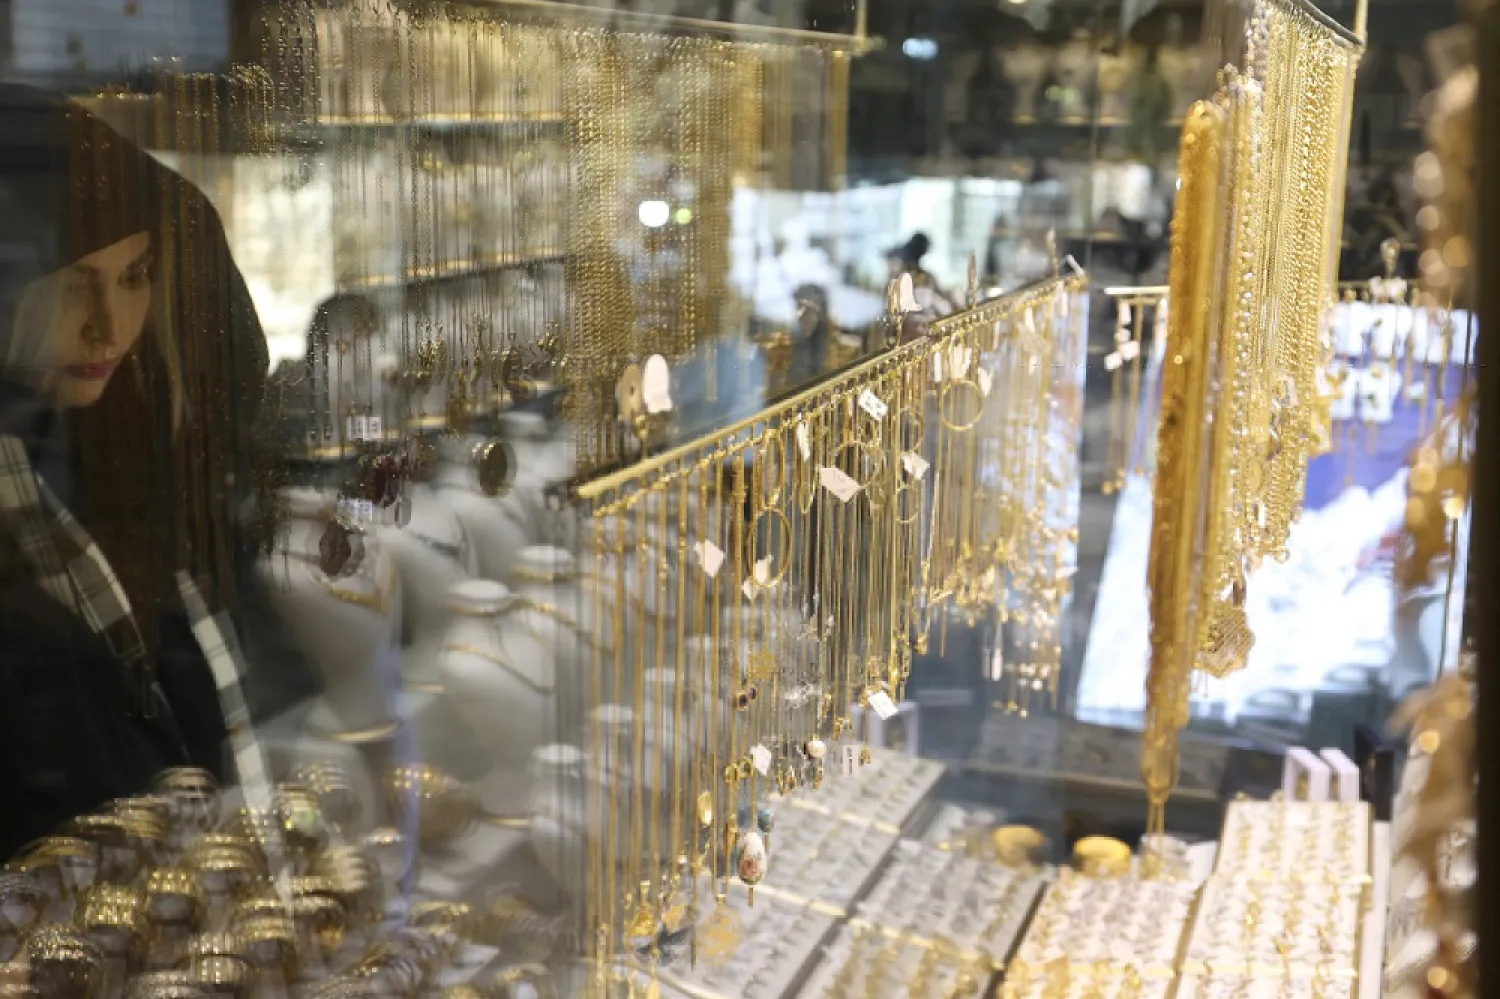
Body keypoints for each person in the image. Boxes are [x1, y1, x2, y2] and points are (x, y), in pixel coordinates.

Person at [0, 85, 310, 857]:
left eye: (135, 276)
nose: (109, 327)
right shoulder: (55, 468)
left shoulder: (125, 455)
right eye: (73, 284)